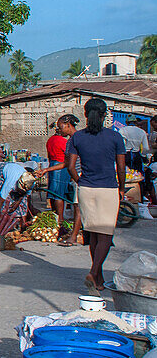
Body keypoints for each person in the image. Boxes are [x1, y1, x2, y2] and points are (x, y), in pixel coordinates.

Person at [66, 97, 126, 292]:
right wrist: (122, 187)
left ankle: (98, 279)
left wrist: (79, 181)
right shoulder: (114, 137)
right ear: (104, 115)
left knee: (93, 234)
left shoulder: (77, 137)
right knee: (106, 235)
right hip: (108, 188)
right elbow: (121, 166)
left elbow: (70, 166)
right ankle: (93, 271)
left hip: (86, 189)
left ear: (85, 114)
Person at [37, 115, 79, 236]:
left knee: (57, 194)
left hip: (57, 165)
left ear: (67, 125)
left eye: (61, 127)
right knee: (60, 194)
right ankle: (62, 221)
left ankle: (61, 220)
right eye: (59, 128)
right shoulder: (64, 141)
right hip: (61, 166)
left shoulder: (52, 140)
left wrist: (47, 169)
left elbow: (68, 162)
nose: (60, 130)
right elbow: (68, 163)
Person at [0, 162, 37, 231]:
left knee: (21, 202)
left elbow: (26, 198)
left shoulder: (31, 182)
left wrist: (18, 202)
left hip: (15, 170)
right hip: (2, 170)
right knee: (5, 201)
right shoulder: (11, 183)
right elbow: (1, 200)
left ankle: (22, 224)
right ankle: (2, 223)